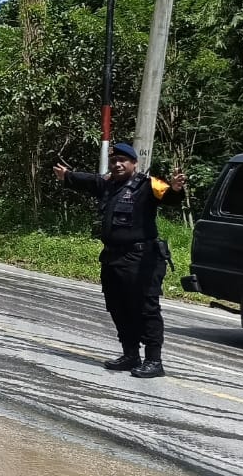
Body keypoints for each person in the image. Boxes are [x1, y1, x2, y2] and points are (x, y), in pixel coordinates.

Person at [53, 142, 187, 379]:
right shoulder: (108, 185)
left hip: (142, 258)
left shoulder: (147, 185)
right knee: (118, 306)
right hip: (113, 257)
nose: (117, 164)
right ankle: (130, 355)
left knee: (146, 308)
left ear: (134, 163)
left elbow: (169, 196)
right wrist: (67, 176)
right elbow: (87, 180)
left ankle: (154, 361)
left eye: (123, 160)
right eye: (114, 160)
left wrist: (176, 190)